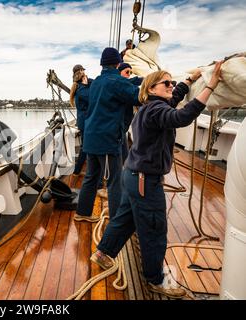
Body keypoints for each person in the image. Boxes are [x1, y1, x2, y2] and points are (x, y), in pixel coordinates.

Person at [92, 61, 224, 299]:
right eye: (167, 83)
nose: (171, 86)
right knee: (154, 230)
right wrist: (211, 86)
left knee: (125, 220)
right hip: (145, 182)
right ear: (151, 88)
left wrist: (189, 81)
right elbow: (182, 117)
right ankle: (155, 280)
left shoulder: (150, 108)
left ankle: (103, 253)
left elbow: (173, 103)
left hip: (132, 176)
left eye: (172, 82)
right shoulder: (155, 110)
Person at [74, 47, 140, 223]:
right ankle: (117, 220)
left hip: (91, 138)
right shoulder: (116, 81)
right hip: (107, 142)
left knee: (91, 177)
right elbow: (138, 96)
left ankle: (82, 212)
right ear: (118, 63)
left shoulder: (96, 83)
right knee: (114, 181)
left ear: (102, 63)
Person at [69, 64, 92, 181]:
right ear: (79, 73)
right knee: (85, 147)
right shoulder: (80, 88)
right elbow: (90, 97)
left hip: (86, 121)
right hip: (85, 122)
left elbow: (95, 83)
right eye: (82, 70)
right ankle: (77, 172)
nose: (84, 73)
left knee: (85, 147)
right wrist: (86, 84)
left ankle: (77, 172)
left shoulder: (84, 84)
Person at [118, 62, 143, 164]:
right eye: (127, 71)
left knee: (124, 151)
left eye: (130, 72)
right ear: (119, 72)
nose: (129, 74)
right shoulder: (120, 84)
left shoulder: (126, 84)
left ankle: (126, 168)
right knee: (122, 152)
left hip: (123, 126)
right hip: (119, 125)